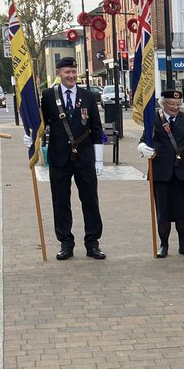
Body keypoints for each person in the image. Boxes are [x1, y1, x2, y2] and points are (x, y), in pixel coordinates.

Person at [38, 57, 105, 260]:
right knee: (60, 201)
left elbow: (96, 128)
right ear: (59, 72)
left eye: (74, 72)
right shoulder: (49, 95)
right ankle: (65, 242)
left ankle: (92, 242)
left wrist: (99, 158)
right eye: (67, 72)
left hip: (84, 157)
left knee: (90, 200)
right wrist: (33, 137)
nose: (71, 76)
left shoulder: (88, 95)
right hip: (59, 157)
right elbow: (42, 122)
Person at [138, 89, 184, 257]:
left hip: (182, 172)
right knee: (163, 212)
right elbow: (143, 141)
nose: (175, 107)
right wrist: (143, 149)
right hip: (161, 172)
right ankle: (164, 245)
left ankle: (183, 244)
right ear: (163, 104)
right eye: (171, 104)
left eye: (178, 104)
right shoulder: (153, 120)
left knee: (182, 212)